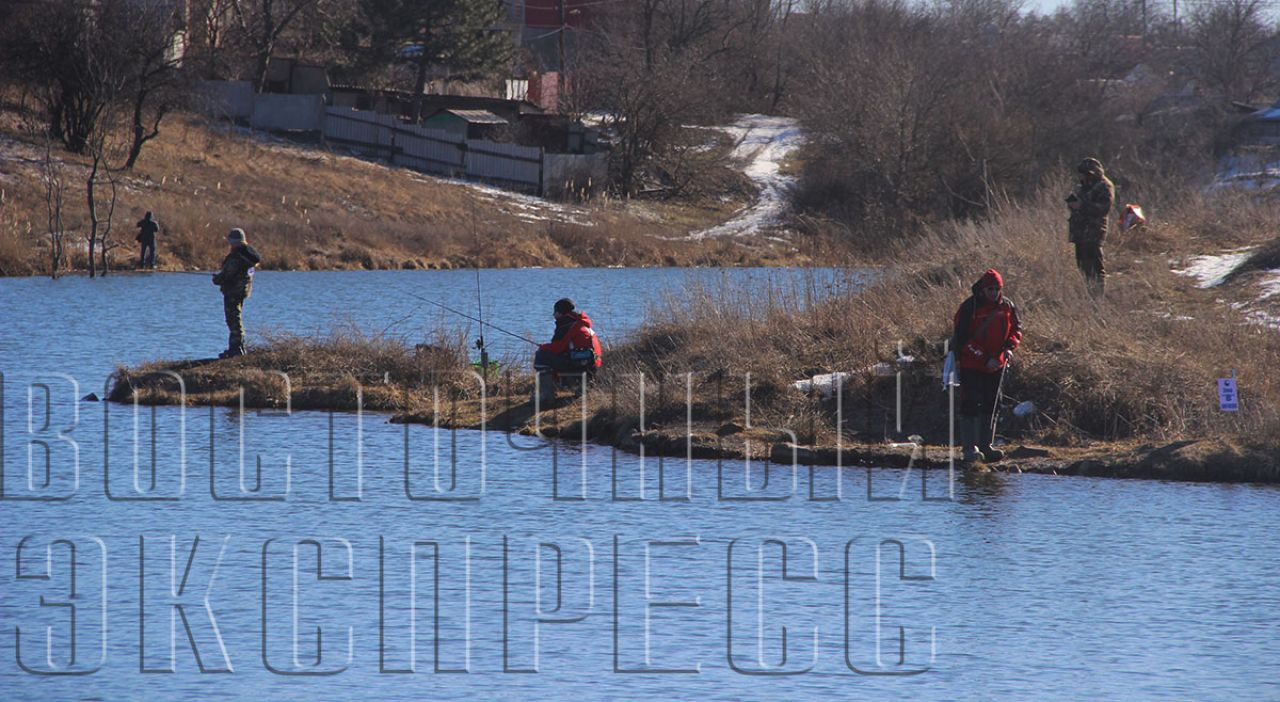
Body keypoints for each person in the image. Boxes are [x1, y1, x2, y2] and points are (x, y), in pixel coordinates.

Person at [950, 269, 1022, 464]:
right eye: (991, 289)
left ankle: (986, 446)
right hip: (971, 363)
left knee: (993, 403)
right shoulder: (969, 307)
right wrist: (985, 359)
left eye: (997, 289)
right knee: (970, 402)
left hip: (997, 363)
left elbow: (1016, 330)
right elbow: (962, 340)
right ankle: (969, 449)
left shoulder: (1007, 306)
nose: (994, 293)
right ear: (982, 289)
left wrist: (1009, 349)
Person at [1067, 157, 1114, 296]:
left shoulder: (1104, 186)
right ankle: (1089, 294)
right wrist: (1072, 204)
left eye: (1084, 173)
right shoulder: (1084, 186)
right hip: (1080, 233)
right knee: (1083, 265)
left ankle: (1097, 297)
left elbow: (1103, 208)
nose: (1081, 176)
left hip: (1093, 232)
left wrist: (1082, 205)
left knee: (1095, 267)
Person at [211, 228, 261, 359]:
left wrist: (217, 279)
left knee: (233, 320)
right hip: (241, 291)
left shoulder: (236, 256)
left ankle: (236, 350)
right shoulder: (247, 255)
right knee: (236, 318)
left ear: (233, 242)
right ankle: (239, 348)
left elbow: (228, 275)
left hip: (233, 292)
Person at [533, 298, 603, 377]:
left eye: (555, 312)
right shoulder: (581, 323)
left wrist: (543, 347)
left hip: (579, 365)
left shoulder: (566, 325)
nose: (553, 315)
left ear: (560, 313)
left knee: (541, 355)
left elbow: (558, 348)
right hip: (593, 365)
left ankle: (549, 383)